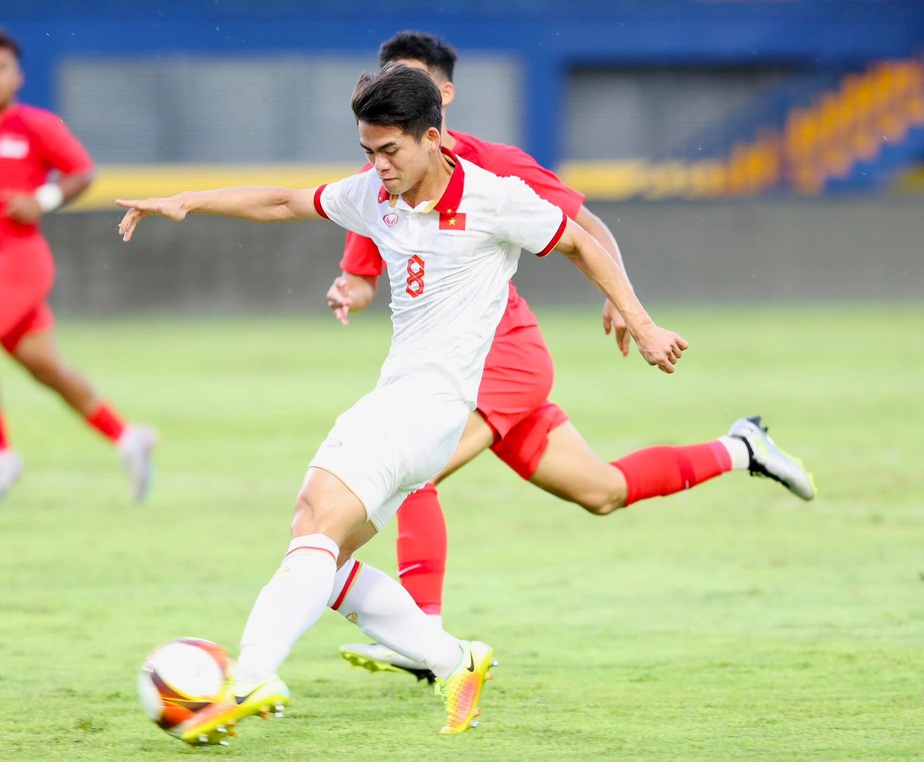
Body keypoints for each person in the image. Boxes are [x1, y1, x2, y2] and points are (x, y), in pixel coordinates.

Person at [117, 64, 688, 744]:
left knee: (315, 519)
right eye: (368, 150)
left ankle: (249, 680)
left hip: (427, 408)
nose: (378, 165)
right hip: (408, 407)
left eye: (390, 151)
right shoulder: (375, 197)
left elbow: (581, 242)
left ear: (434, 139)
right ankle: (455, 660)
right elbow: (285, 202)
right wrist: (189, 200)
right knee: (322, 560)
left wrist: (643, 323)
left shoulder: (493, 197)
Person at [328, 32, 817, 682]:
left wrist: (627, 303)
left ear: (441, 99)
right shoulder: (385, 180)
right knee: (602, 491)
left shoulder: (491, 166)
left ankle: (423, 636)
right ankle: (743, 447)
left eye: (410, 89)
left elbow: (584, 231)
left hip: (503, 361)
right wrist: (351, 289)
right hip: (459, 373)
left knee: (413, 470)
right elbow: (366, 267)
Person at [0, 27, 156, 507]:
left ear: (17, 76)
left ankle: (0, 455)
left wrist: (42, 198)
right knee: (47, 369)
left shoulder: (35, 125)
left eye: (0, 68)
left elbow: (82, 172)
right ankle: (127, 437)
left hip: (21, 261)